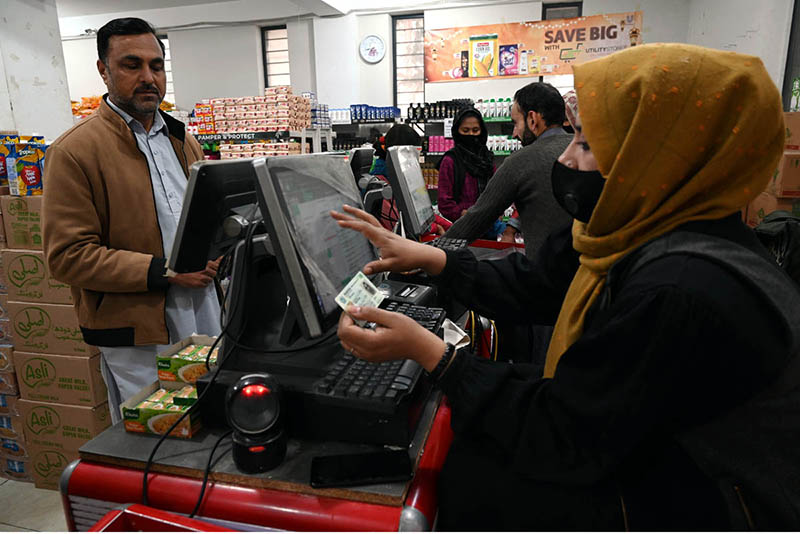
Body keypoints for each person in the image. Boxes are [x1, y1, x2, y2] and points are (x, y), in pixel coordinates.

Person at [332, 43, 800, 529]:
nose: (568, 158)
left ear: (660, 156)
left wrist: (435, 355)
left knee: (468, 480)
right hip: (655, 455)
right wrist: (433, 258)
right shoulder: (640, 229)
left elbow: (565, 433)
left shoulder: (682, 286)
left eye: (589, 143)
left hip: (709, 504)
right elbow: (538, 282)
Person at [42, 18, 221, 423]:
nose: (148, 77)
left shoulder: (182, 140)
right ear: (103, 70)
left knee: (209, 427)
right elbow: (68, 256)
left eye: (156, 66)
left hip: (204, 313)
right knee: (154, 440)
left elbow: (202, 220)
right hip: (137, 335)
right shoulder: (75, 152)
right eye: (131, 65)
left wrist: (217, 252)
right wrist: (166, 272)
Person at [442, 82, 573, 259]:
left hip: (547, 275)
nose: (514, 134)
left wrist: (430, 252)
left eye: (516, 123)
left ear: (533, 120)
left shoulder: (521, 161)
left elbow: (476, 220)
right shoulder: (588, 149)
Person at [436, 108, 499, 238]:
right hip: (462, 230)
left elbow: (497, 190)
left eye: (475, 130)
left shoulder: (487, 159)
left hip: (490, 227)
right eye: (465, 130)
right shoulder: (450, 161)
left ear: (482, 131)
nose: (471, 134)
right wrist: (465, 214)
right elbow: (444, 203)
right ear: (456, 131)